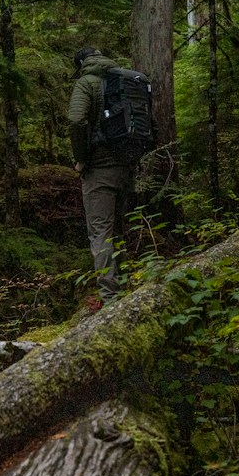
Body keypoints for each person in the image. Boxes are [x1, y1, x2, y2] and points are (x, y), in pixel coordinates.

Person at [66, 45, 135, 300]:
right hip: (126, 166)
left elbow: (76, 120)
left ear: (81, 63)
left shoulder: (87, 83)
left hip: (100, 169)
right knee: (118, 229)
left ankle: (110, 298)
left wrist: (81, 158)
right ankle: (127, 286)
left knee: (101, 232)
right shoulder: (124, 78)